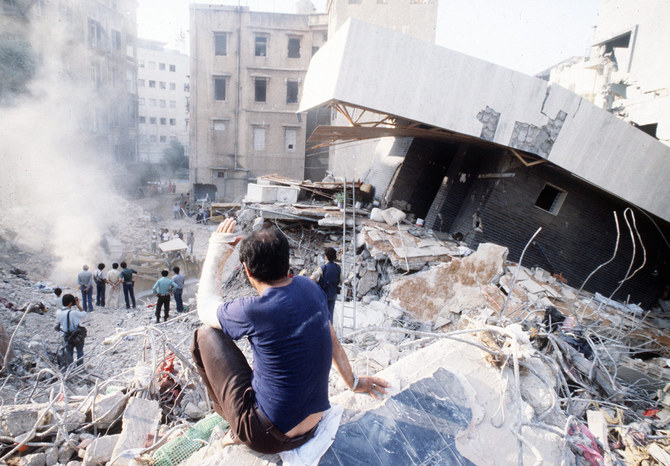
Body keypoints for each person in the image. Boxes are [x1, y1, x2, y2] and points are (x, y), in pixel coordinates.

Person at [192, 219, 389, 454]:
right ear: (287, 263)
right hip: (313, 425)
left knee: (204, 335)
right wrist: (354, 383)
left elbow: (205, 308)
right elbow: (334, 344)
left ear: (247, 271)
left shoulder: (253, 310)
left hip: (267, 437)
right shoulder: (310, 287)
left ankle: (236, 426)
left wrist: (216, 252)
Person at [310, 247, 342, 323]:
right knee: (330, 315)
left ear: (326, 256)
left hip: (323, 294)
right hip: (333, 293)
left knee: (322, 315)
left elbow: (312, 277)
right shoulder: (338, 268)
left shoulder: (323, 268)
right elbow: (342, 281)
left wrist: (317, 283)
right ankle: (330, 332)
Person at [56, 294, 87, 367]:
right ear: (70, 303)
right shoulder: (73, 313)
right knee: (79, 351)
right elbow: (84, 314)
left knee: (69, 352)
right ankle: (80, 366)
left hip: (66, 335)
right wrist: (78, 305)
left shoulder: (58, 312)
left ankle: (70, 367)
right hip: (76, 334)